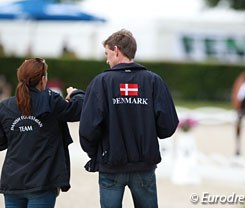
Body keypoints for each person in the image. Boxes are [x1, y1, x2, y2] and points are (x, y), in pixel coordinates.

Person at [79, 29, 179, 208]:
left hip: (110, 165)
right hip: (144, 165)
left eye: (107, 54)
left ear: (116, 50)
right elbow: (168, 126)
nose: (106, 59)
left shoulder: (101, 82)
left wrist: (96, 154)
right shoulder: (153, 81)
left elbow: (88, 129)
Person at [0, 58, 84, 208]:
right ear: (43, 79)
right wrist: (76, 94)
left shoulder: (5, 106)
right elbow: (77, 110)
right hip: (42, 181)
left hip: (13, 181)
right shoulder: (51, 100)